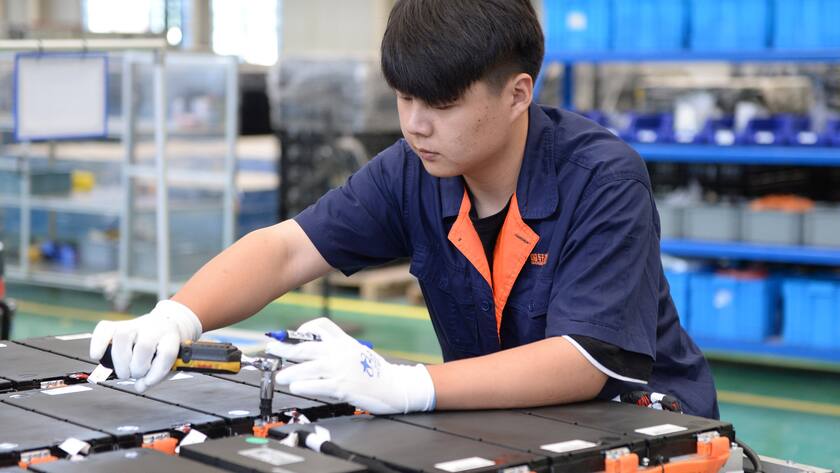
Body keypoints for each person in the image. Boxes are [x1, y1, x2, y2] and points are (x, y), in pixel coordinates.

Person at [89, 0, 719, 418]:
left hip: (641, 433)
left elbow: (582, 361)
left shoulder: (602, 179)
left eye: (441, 104)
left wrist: (405, 384)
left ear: (517, 94)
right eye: (405, 98)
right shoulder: (413, 171)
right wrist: (176, 316)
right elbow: (286, 249)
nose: (416, 125)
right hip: (504, 423)